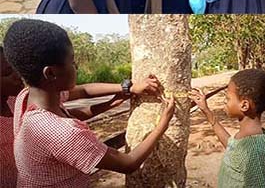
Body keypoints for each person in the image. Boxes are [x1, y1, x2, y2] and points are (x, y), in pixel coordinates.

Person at [2, 19, 175, 188]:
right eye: (72, 61)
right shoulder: (63, 134)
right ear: (51, 73)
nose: (76, 66)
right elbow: (127, 163)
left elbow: (82, 93)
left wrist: (124, 91)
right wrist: (163, 123)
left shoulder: (27, 97)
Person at [188, 69, 265, 187]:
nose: (225, 102)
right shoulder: (247, 137)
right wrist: (206, 111)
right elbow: (231, 146)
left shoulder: (253, 153)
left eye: (228, 98)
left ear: (244, 105)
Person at [1, 46, 24, 188]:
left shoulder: (17, 101)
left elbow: (80, 91)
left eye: (15, 67)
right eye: (8, 72)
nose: (17, 75)